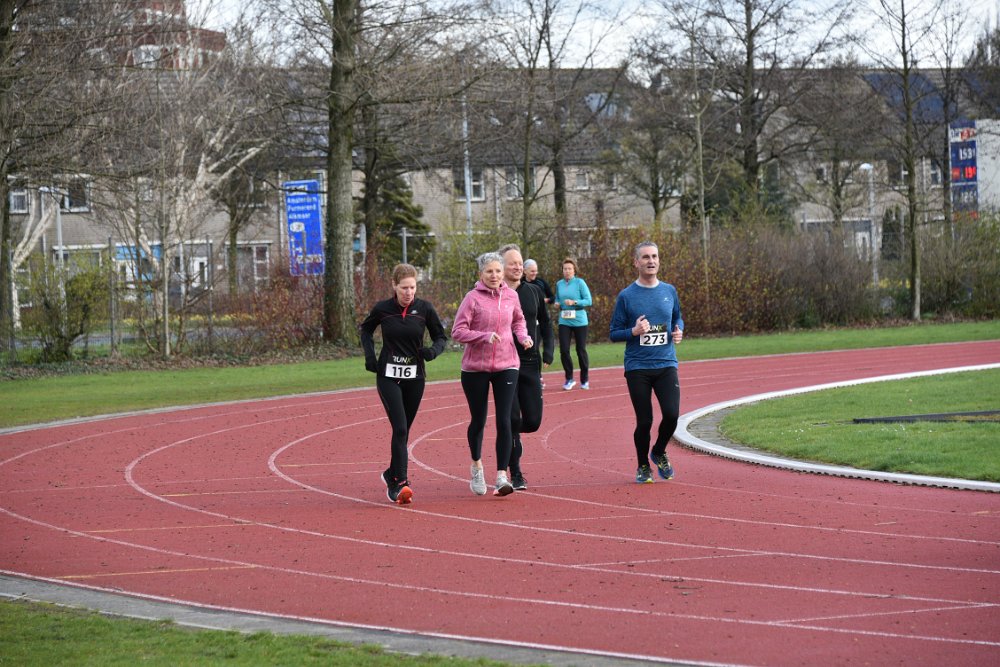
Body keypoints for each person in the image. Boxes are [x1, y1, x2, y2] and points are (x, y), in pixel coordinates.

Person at [360, 263, 447, 504]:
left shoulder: (425, 309)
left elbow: (441, 337)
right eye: (404, 288)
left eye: (412, 287)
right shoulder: (383, 309)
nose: (409, 292)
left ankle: (391, 473)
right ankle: (400, 483)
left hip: (415, 377)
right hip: (388, 376)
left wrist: (433, 351)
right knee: (399, 428)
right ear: (394, 286)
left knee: (404, 431)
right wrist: (370, 356)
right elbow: (365, 331)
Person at [451, 252, 534, 497]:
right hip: (475, 367)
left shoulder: (511, 296)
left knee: (505, 420)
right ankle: (477, 466)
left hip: (507, 364)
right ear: (481, 274)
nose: (494, 275)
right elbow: (457, 331)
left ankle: (501, 475)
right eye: (489, 271)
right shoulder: (472, 298)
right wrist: (483, 336)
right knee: (479, 420)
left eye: (498, 271)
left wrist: (523, 337)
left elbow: (518, 321)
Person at [608, 241, 684, 484]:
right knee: (645, 421)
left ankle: (659, 451)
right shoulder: (627, 296)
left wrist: (678, 330)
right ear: (636, 262)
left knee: (672, 415)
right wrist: (634, 331)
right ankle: (643, 466)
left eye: (654, 256)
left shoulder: (669, 291)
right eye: (645, 257)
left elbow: (678, 317)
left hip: (666, 363)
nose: (651, 261)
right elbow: (613, 333)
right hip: (638, 367)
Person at [498, 244, 553, 491]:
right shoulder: (494, 293)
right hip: (504, 363)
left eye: (520, 263)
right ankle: (516, 472)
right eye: (512, 263)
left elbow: (546, 323)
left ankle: (507, 431)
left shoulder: (533, 291)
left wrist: (549, 349)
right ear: (501, 266)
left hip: (530, 362)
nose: (518, 267)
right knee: (511, 416)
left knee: (532, 421)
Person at [554, 257, 592, 390]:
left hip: (579, 320)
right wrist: (557, 303)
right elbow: (557, 298)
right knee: (564, 350)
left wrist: (574, 302)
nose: (567, 271)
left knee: (580, 350)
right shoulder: (559, 284)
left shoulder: (580, 283)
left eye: (569, 269)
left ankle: (584, 379)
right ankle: (569, 378)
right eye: (565, 269)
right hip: (564, 319)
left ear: (574, 270)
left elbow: (588, 300)